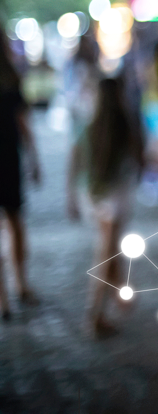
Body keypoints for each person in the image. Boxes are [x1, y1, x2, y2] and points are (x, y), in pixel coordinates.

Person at [66, 77, 144, 336]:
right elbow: (139, 159)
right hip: (117, 197)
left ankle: (117, 297)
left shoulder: (88, 124)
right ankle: (94, 314)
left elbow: (74, 159)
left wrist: (72, 197)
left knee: (109, 250)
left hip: (93, 195)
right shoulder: (126, 124)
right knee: (106, 253)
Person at [0, 33, 41, 320]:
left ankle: (4, 297)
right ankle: (19, 283)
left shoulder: (11, 77)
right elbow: (23, 123)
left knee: (14, 222)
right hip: (8, 158)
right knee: (15, 221)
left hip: (8, 159)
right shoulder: (10, 77)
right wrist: (34, 158)